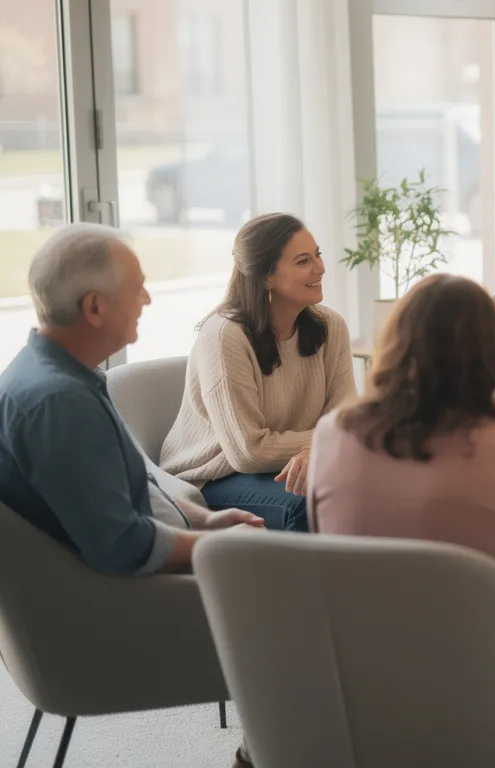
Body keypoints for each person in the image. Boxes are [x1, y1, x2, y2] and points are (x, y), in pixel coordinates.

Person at [0, 224, 263, 768]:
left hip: (117, 594)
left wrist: (204, 522)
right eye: (137, 288)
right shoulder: (58, 404)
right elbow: (120, 544)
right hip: (112, 617)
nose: (147, 299)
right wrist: (218, 549)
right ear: (95, 306)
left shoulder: (55, 377)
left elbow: (133, 481)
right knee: (310, 614)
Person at [309, 273, 495, 620]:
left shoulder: (331, 434)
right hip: (473, 662)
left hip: (355, 654)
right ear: (489, 351)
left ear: (395, 342)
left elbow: (324, 554)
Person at [160, 213, 356, 532]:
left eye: (318, 255)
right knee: (309, 505)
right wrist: (321, 446)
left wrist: (318, 450)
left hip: (290, 467)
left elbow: (346, 420)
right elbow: (248, 452)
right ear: (266, 277)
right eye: (303, 261)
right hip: (210, 479)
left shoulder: (331, 326)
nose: (320, 268)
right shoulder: (224, 336)